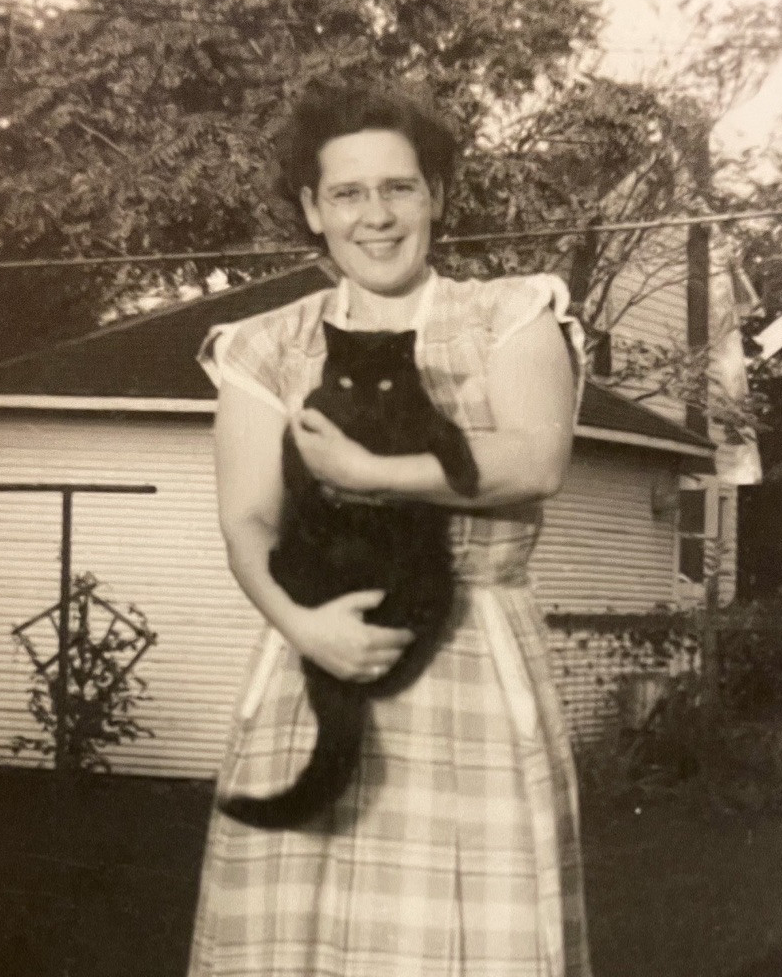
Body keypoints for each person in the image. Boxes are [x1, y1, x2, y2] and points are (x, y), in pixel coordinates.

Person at [188, 78, 592, 977]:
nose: (376, 216)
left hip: (474, 664)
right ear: (312, 209)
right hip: (319, 659)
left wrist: (365, 473)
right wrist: (302, 626)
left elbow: (536, 460)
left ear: (437, 197)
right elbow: (248, 517)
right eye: (347, 193)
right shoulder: (265, 346)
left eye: (399, 187)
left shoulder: (511, 314)